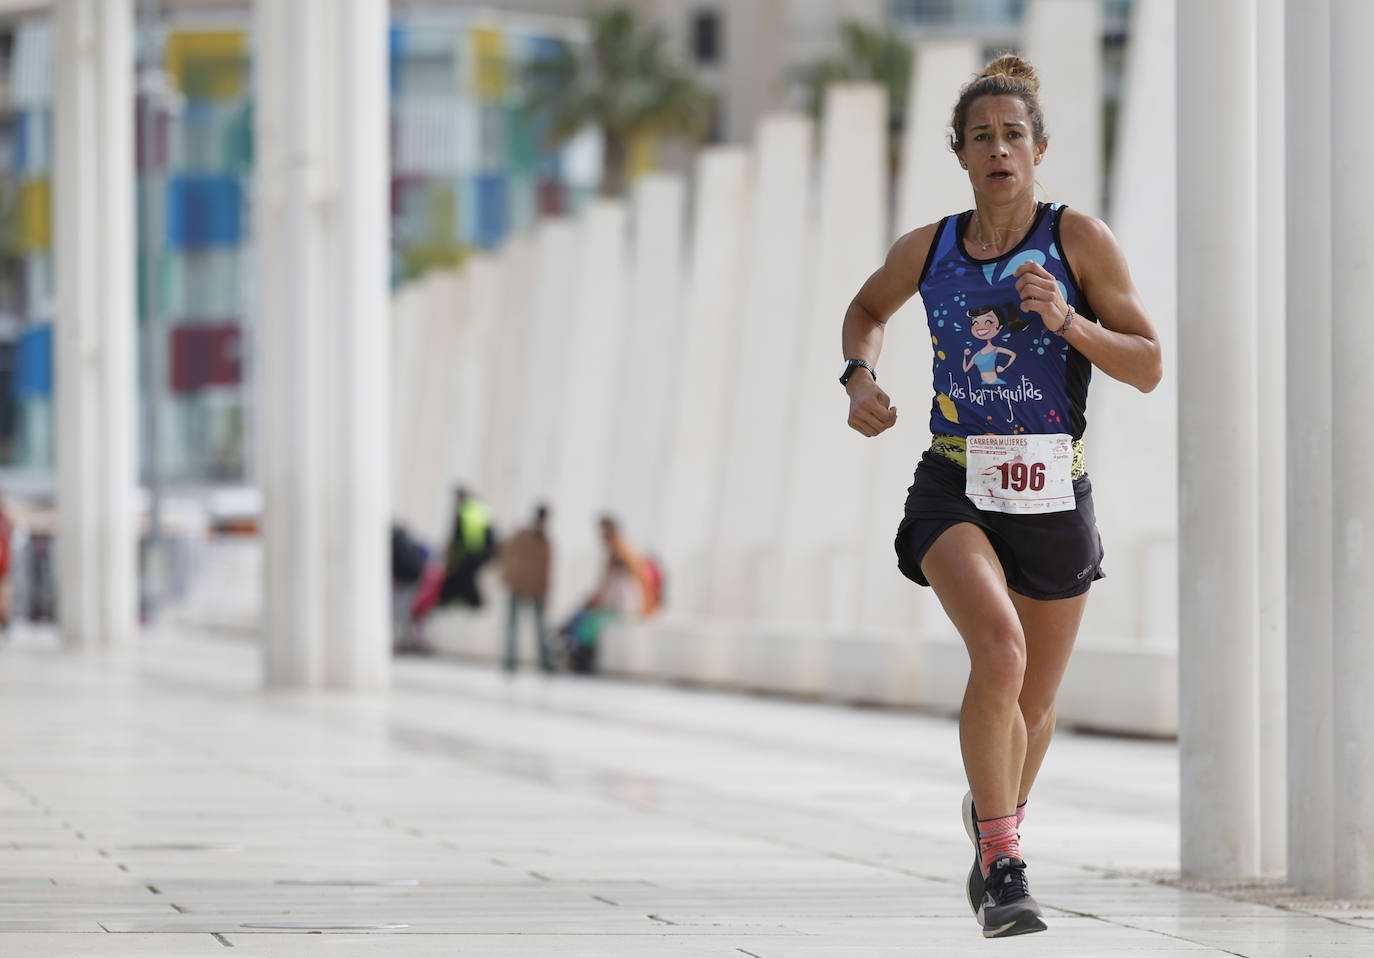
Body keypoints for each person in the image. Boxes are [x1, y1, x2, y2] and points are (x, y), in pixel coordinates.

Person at [839, 54, 1161, 939]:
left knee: (1033, 706)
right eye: (981, 137)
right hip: (955, 480)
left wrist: (1067, 319)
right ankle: (1009, 862)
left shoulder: (1078, 241)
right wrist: (858, 376)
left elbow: (1147, 366)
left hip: (1055, 486)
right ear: (960, 153)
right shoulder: (932, 247)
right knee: (1001, 650)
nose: (999, 150)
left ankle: (991, 832)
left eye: (1013, 135)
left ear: (1040, 148)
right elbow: (864, 309)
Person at [559, 515, 658, 673]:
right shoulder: (620, 552)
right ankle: (570, 645)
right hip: (616, 606)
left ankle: (580, 657)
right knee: (582, 618)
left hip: (624, 610)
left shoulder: (620, 554)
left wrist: (595, 601)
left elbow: (613, 597)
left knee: (586, 623)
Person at [409, 486, 498, 640]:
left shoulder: (464, 511)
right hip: (483, 552)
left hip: (474, 553)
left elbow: (457, 536)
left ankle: (470, 602)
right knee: (465, 577)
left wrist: (450, 556)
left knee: (462, 577)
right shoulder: (478, 508)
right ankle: (469, 601)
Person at [498, 504, 555, 673]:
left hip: (536, 588)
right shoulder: (521, 535)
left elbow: (547, 570)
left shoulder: (546, 541)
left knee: (541, 626)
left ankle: (546, 662)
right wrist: (507, 576)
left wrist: (546, 591)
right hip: (517, 584)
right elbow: (506, 553)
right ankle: (510, 660)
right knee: (512, 624)